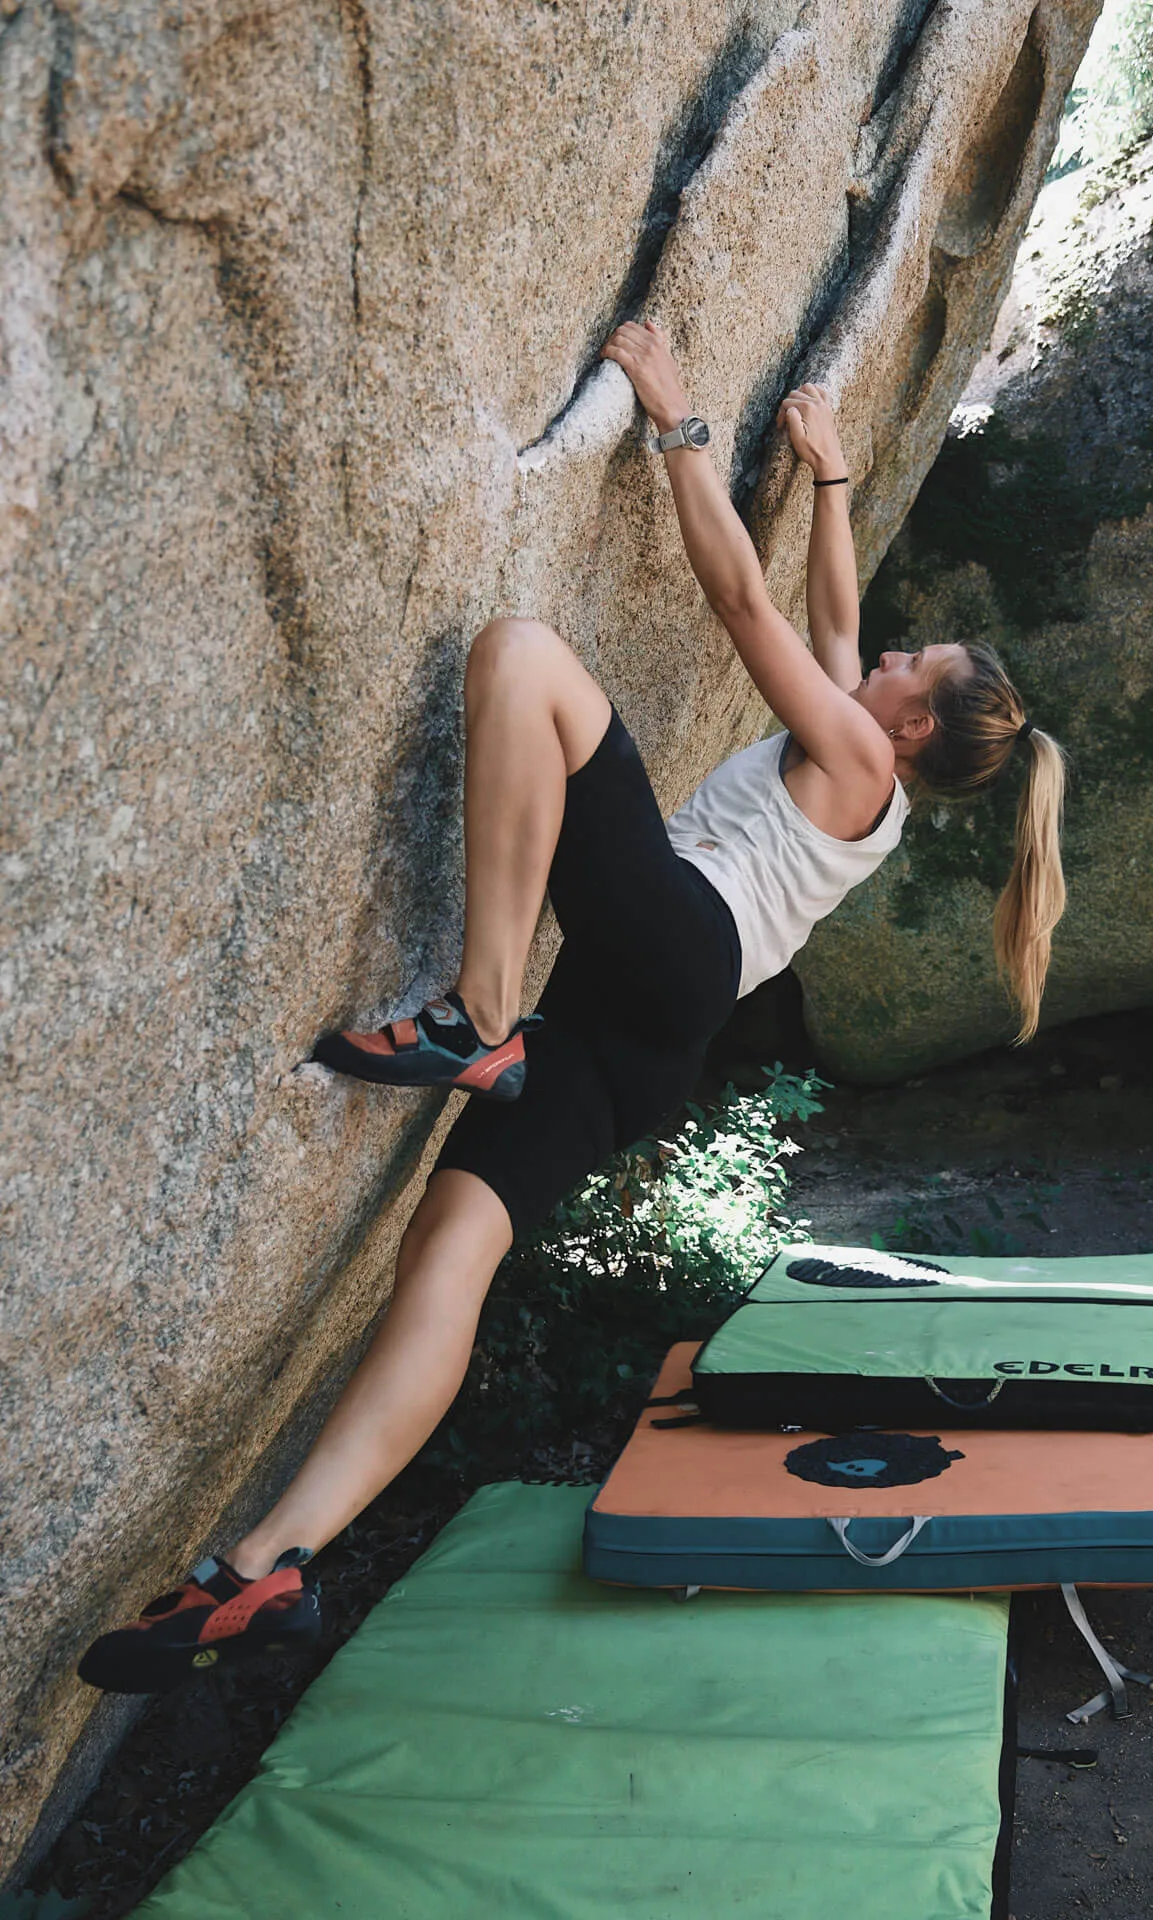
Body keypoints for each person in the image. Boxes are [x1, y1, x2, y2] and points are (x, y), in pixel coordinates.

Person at [79, 323, 1066, 1692]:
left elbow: (748, 609)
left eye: (915, 663)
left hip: (671, 948)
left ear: (905, 729)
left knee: (525, 657)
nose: (892, 652)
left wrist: (675, 422)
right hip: (648, 1039)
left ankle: (480, 1016)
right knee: (452, 1256)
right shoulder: (871, 768)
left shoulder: (850, 750)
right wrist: (832, 477)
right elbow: (836, 625)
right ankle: (267, 1566)